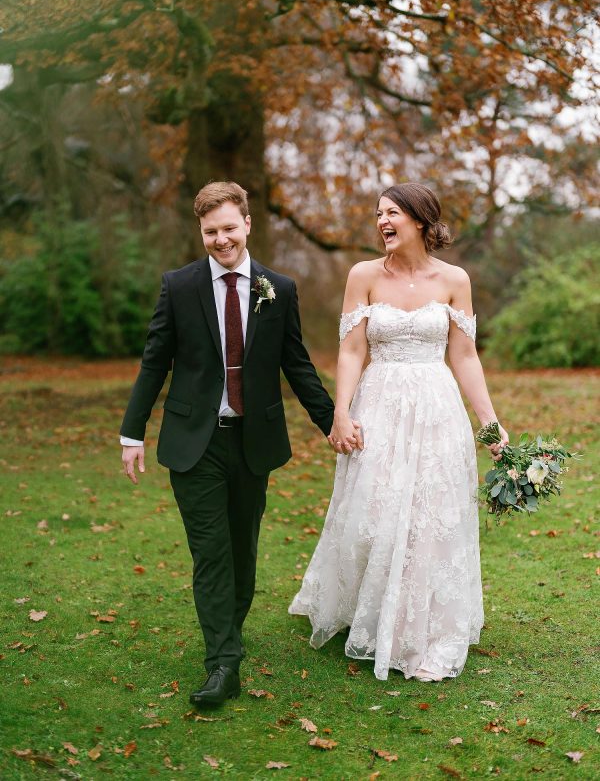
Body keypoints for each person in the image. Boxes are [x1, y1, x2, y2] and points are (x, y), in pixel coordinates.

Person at [120, 181, 336, 706]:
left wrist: (332, 423)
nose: (221, 240)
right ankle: (222, 664)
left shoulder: (277, 288)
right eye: (210, 231)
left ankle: (228, 633)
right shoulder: (180, 286)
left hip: (252, 442)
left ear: (247, 224)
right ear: (201, 232)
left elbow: (296, 364)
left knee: (242, 552)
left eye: (229, 228)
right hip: (194, 443)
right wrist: (132, 432)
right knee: (211, 553)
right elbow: (155, 361)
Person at [289, 182, 508, 682]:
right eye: (378, 214)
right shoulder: (363, 275)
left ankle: (425, 628)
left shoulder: (454, 279)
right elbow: (351, 350)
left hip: (436, 410)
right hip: (378, 406)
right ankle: (367, 608)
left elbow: (464, 356)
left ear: (420, 220)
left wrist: (489, 422)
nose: (382, 222)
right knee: (374, 509)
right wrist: (340, 412)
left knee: (431, 516)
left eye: (392, 213)